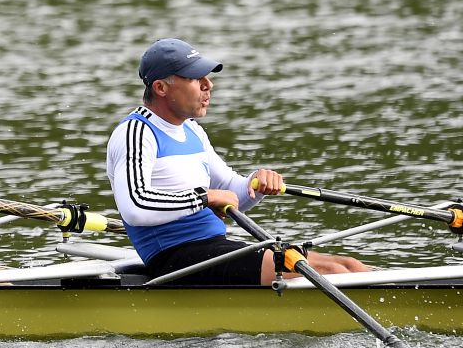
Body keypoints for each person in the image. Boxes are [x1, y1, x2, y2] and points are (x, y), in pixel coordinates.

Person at [106, 38, 368, 285]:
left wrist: (256, 183)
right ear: (161, 88)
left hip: (212, 249)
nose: (208, 85)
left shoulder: (192, 130)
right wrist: (206, 198)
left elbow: (232, 193)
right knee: (332, 272)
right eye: (195, 78)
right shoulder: (136, 133)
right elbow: (135, 206)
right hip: (175, 259)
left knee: (350, 266)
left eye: (206, 77)